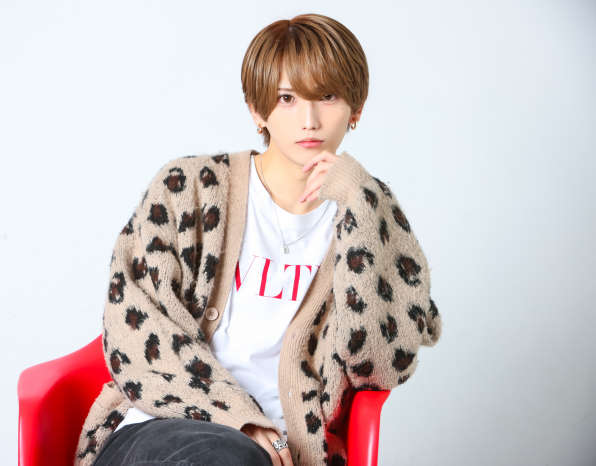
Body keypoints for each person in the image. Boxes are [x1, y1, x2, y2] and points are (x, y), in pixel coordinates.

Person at [75, 13, 442, 466]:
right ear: (257, 110)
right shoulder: (187, 189)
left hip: (280, 455)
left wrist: (361, 205)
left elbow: (383, 363)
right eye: (287, 98)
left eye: (327, 96)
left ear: (356, 109)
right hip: (160, 430)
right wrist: (239, 419)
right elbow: (134, 334)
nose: (309, 120)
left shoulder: (371, 212)